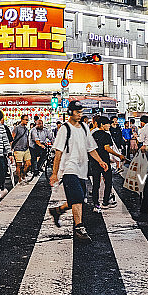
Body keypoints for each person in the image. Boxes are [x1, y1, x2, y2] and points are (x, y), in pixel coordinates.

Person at [48, 101, 108, 242]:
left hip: (82, 169)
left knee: (79, 198)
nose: (80, 114)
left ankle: (58, 211)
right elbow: (58, 152)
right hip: (69, 168)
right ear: (70, 112)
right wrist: (54, 173)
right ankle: (79, 228)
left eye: (81, 112)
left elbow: (91, 148)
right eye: (77, 112)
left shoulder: (85, 128)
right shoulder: (65, 129)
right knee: (77, 197)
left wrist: (100, 161)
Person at [89, 116, 123, 211]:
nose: (109, 125)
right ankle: (105, 202)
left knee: (96, 183)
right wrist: (119, 155)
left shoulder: (93, 134)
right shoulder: (106, 135)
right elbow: (107, 148)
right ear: (102, 125)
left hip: (95, 161)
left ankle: (96, 203)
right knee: (108, 181)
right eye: (107, 124)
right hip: (105, 162)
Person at [11, 114, 32, 184]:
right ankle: (19, 179)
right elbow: (12, 138)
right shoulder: (17, 128)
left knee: (28, 164)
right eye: (26, 120)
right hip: (18, 149)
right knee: (18, 165)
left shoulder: (26, 129)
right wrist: (10, 149)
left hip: (26, 149)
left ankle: (23, 175)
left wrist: (28, 146)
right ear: (22, 120)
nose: (27, 121)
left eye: (27, 120)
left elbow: (27, 139)